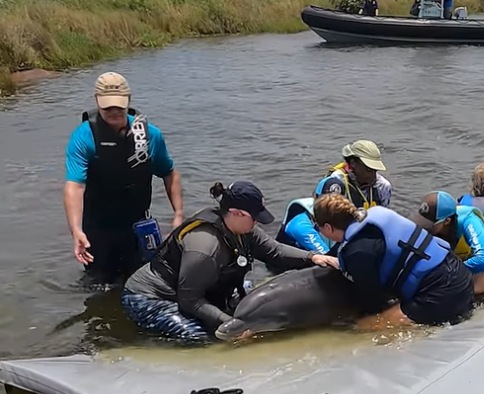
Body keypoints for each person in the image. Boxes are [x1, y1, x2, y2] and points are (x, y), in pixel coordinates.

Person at [121, 180, 339, 342]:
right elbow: (190, 300)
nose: (256, 223)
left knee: (254, 295)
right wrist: (231, 325)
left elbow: (274, 252)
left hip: (198, 289)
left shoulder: (242, 229)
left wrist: (313, 257)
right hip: (152, 297)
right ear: (236, 213)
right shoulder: (205, 247)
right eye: (254, 217)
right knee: (206, 340)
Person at [63, 71, 184, 284]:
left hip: (136, 223)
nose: (114, 111)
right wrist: (76, 231)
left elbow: (169, 173)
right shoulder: (84, 137)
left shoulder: (150, 136)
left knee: (142, 282)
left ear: (128, 100)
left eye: (119, 105)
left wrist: (178, 214)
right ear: (97, 102)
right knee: (99, 285)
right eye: (107, 106)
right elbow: (74, 186)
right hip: (98, 227)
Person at [313, 193, 475, 331]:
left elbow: (372, 302)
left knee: (364, 326)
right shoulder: (374, 215)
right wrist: (314, 257)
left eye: (318, 227)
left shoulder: (357, 252)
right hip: (459, 274)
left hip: (446, 293)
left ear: (328, 227)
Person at [410, 191, 484, 295]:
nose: (424, 227)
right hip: (461, 270)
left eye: (430, 224)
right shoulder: (435, 228)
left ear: (447, 221)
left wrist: (450, 273)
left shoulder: (468, 220)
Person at [275, 176, 346, 255]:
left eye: (337, 204)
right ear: (314, 197)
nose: (330, 208)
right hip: (290, 265)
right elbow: (327, 257)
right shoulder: (301, 226)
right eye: (324, 202)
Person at [325, 139, 392, 210]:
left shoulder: (382, 186)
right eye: (368, 170)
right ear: (353, 163)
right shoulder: (337, 182)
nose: (372, 176)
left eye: (375, 170)